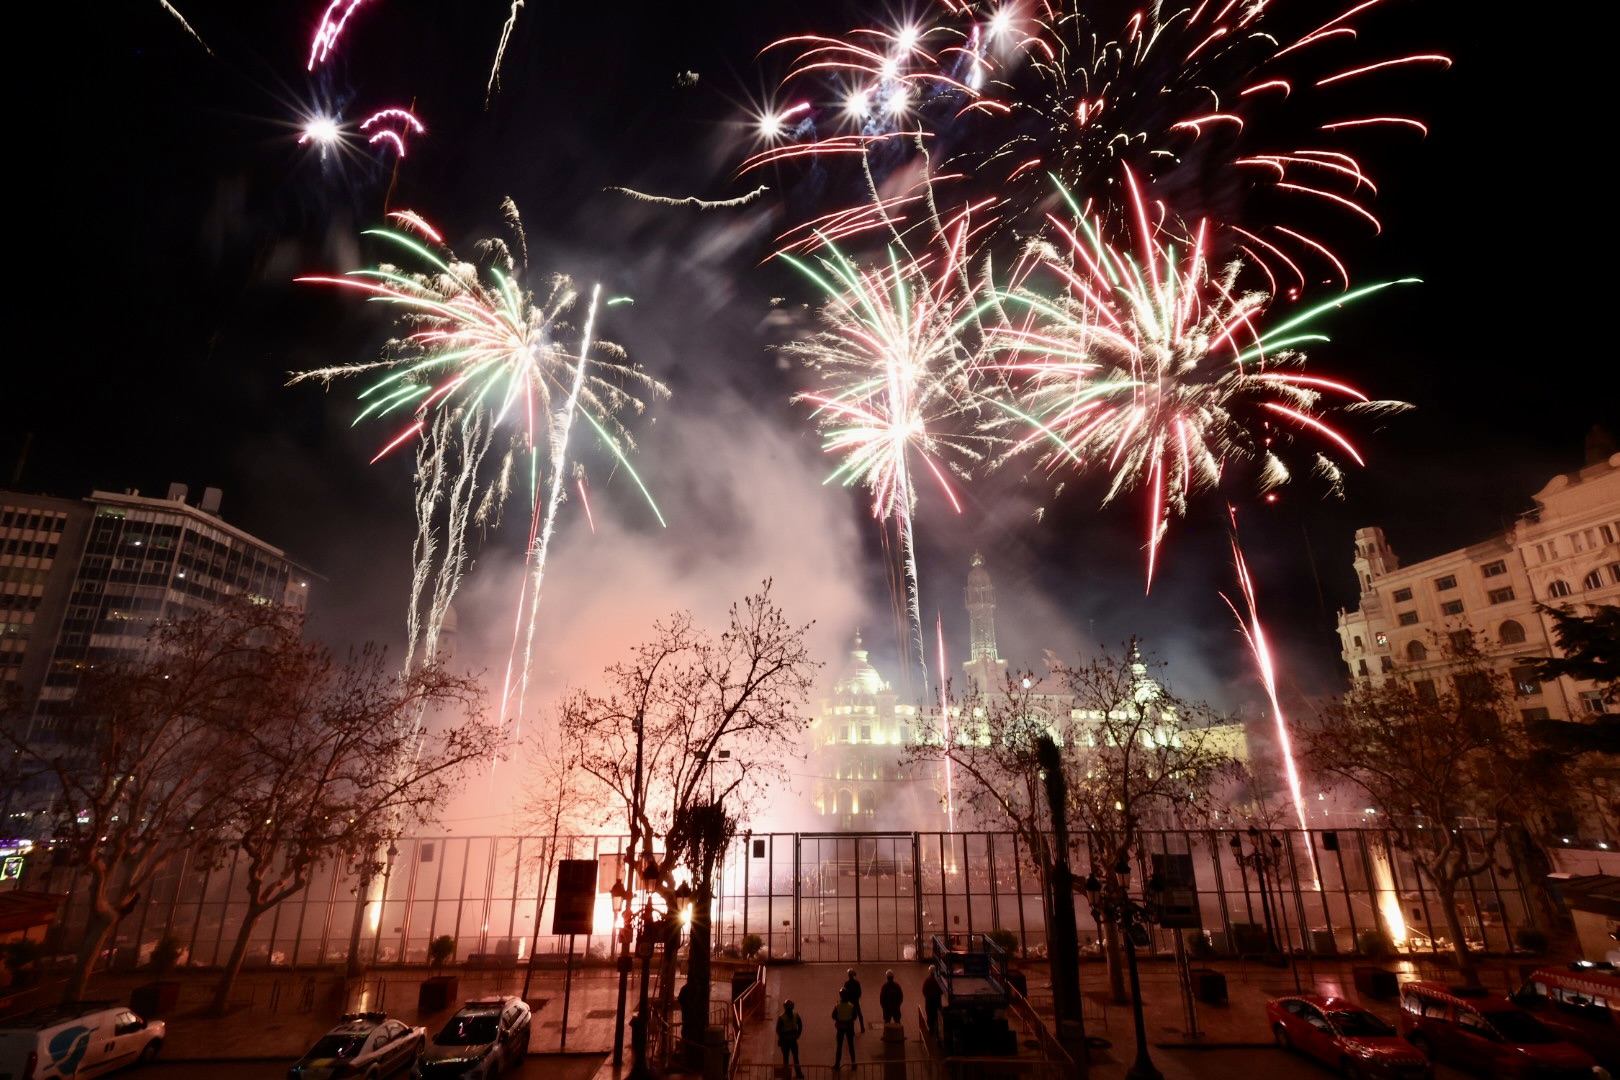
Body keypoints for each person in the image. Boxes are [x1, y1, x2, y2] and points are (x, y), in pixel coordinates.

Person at [775, 999, 804, 1078]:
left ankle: (790, 1075)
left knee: (789, 1058)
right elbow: (778, 1030)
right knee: (791, 1058)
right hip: (787, 1041)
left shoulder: (789, 1016)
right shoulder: (783, 1017)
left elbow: (778, 1030)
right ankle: (795, 1074)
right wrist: (798, 1034)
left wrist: (798, 1034)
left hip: (790, 1041)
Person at [831, 987, 858, 1069]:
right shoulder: (851, 1006)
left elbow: (833, 1016)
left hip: (840, 1028)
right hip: (849, 1027)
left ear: (841, 996)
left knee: (839, 1046)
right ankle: (853, 1063)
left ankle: (837, 1064)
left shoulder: (837, 1006)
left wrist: (839, 1018)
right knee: (851, 1046)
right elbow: (854, 1017)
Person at [842, 968, 866, 1033]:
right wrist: (857, 998)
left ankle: (852, 1029)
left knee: (851, 1016)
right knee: (859, 1015)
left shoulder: (847, 983)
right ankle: (862, 1027)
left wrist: (847, 999)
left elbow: (845, 993)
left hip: (850, 1002)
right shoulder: (856, 983)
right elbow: (859, 992)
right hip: (856, 1001)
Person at [921, 967, 943, 1038]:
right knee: (937, 1016)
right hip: (937, 1001)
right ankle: (937, 1032)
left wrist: (927, 997)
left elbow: (924, 990)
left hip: (929, 1002)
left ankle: (931, 1030)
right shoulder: (939, 980)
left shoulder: (927, 980)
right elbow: (941, 991)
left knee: (930, 1016)